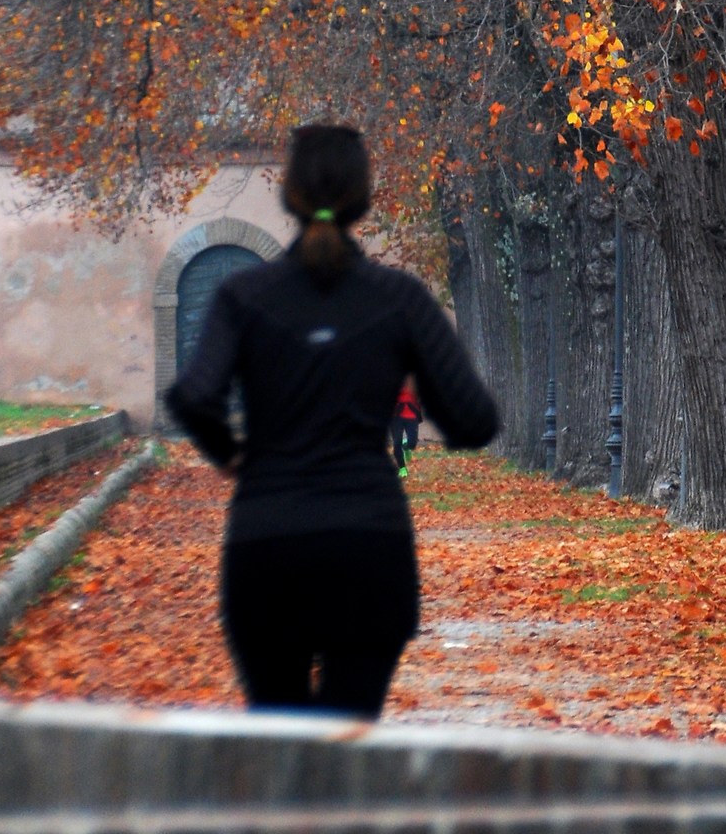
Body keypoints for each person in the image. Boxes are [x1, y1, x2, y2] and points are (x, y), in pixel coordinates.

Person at [166, 123, 498, 716]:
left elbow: (193, 396)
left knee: (279, 735)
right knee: (351, 738)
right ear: (364, 197)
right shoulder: (397, 298)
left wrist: (234, 456)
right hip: (368, 546)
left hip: (267, 542)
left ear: (289, 194)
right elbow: (473, 420)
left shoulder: (244, 296)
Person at [390, 383, 421, 478]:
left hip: (412, 415)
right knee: (397, 443)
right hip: (396, 416)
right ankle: (402, 468)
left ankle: (407, 447)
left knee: (413, 443)